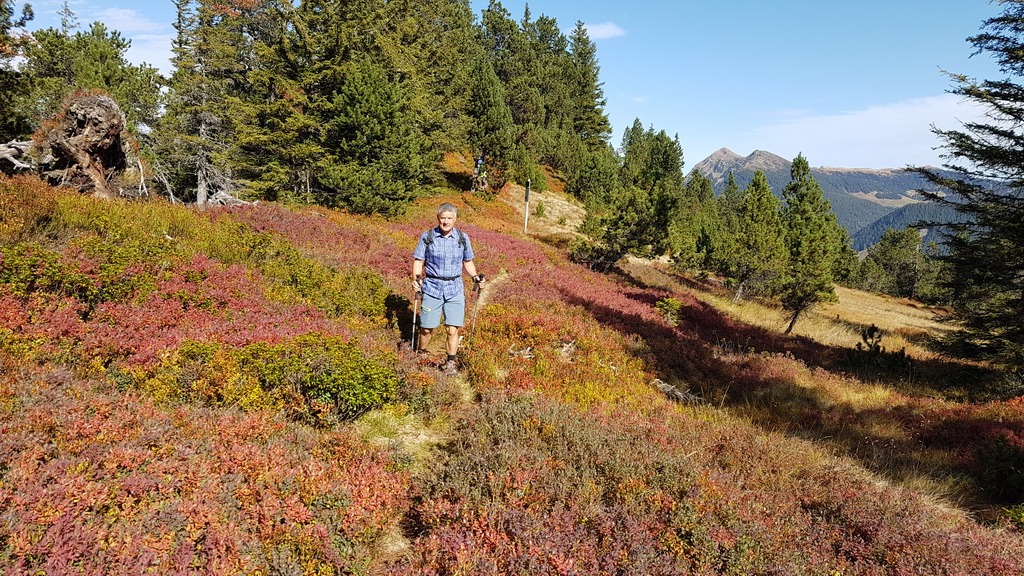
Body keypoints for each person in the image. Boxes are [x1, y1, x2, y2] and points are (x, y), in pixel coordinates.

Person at [412, 202, 484, 374]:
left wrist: (475, 276)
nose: (446, 221)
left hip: (455, 288)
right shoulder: (427, 236)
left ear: (455, 219)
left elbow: (467, 261)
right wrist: (416, 278)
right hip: (432, 287)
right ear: (438, 218)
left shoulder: (462, 238)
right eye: (443, 218)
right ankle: (421, 354)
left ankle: (450, 362)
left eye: (449, 218)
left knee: (453, 329)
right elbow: (419, 260)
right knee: (426, 328)